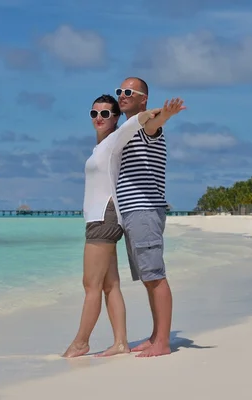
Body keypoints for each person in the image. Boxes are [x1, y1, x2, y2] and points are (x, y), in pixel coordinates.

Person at [62, 94, 166, 358]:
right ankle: (121, 342)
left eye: (106, 114)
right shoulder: (101, 148)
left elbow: (139, 122)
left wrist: (156, 111)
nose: (99, 118)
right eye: (94, 113)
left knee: (90, 284)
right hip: (100, 216)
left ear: (116, 117)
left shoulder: (115, 139)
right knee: (110, 285)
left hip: (104, 216)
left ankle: (80, 342)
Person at [115, 77, 185, 357]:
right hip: (134, 212)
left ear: (143, 98)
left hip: (144, 209)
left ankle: (163, 343)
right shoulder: (128, 128)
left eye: (128, 92)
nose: (122, 95)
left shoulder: (145, 127)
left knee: (155, 276)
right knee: (148, 277)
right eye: (119, 91)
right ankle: (157, 335)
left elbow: (154, 124)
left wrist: (165, 115)